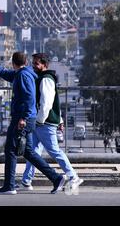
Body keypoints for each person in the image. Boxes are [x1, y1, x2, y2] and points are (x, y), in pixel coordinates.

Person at [0, 52, 65, 195]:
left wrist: (23, 118)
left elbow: (29, 98)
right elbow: (6, 74)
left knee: (10, 150)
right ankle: (56, 178)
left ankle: (9, 186)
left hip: (22, 118)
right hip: (26, 118)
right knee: (28, 152)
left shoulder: (23, 75)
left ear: (13, 63)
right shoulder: (24, 73)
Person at [19, 53, 83, 191]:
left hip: (44, 122)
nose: (34, 66)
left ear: (45, 65)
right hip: (40, 121)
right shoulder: (41, 78)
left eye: (37, 63)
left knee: (54, 151)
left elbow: (47, 103)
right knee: (33, 151)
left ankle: (73, 176)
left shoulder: (46, 79)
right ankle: (26, 180)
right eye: (33, 63)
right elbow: (55, 104)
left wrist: (40, 120)